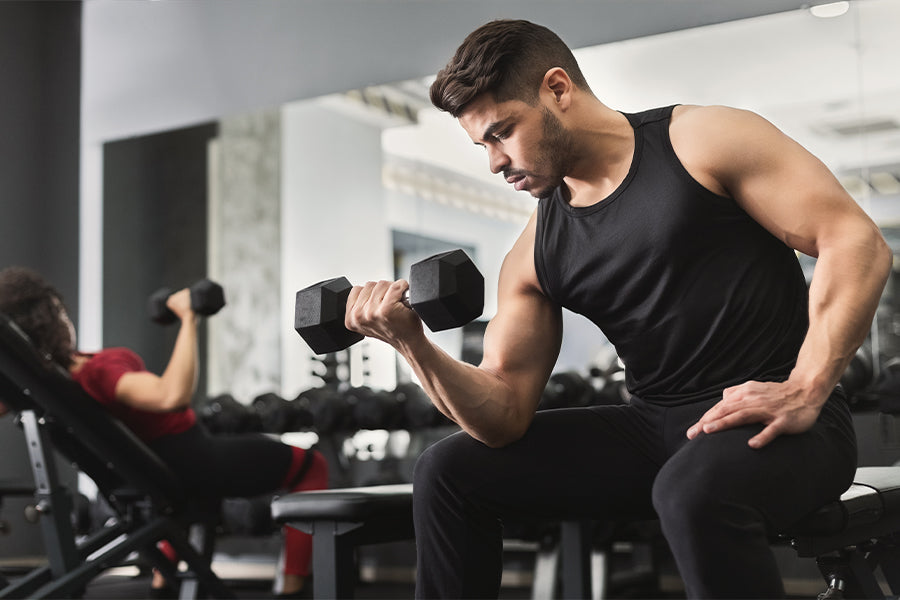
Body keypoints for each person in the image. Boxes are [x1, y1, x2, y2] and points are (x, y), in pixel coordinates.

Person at [342, 18, 893, 599]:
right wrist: (412, 343)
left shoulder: (703, 140)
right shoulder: (535, 251)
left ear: (558, 89)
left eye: (502, 132)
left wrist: (807, 386)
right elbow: (502, 416)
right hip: (653, 430)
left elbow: (854, 241)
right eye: (483, 145)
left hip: (784, 419)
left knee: (690, 489)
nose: (495, 163)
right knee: (448, 471)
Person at [0, 267, 326, 599]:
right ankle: (293, 585)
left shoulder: (44, 384)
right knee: (312, 465)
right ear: (51, 318)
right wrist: (189, 318)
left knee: (187, 498)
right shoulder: (97, 372)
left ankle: (163, 580)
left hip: (157, 472)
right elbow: (171, 395)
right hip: (192, 463)